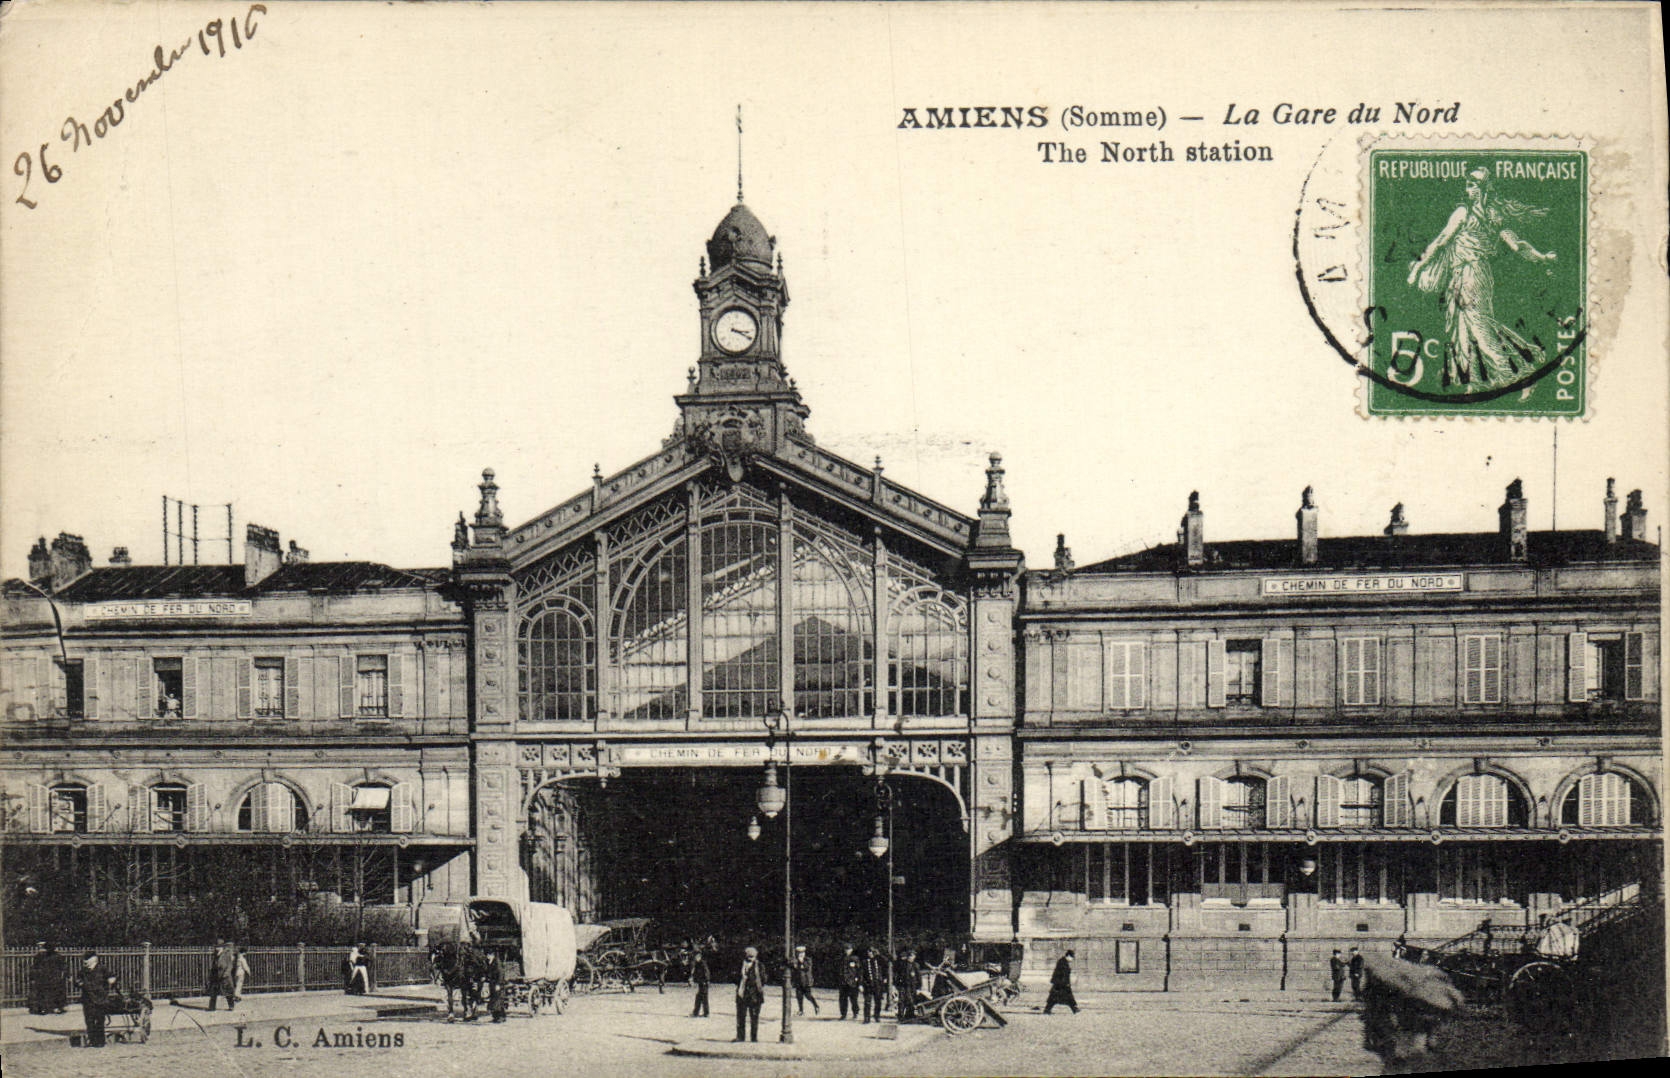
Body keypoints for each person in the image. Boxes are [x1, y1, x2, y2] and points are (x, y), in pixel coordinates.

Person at [1405, 167, 1558, 389]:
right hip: (1474, 274)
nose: (1468, 188)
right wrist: (1541, 257)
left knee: (1480, 328)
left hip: (1469, 274)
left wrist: (1418, 267)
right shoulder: (1495, 216)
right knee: (1467, 328)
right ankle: (1475, 383)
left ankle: (1518, 375)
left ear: (1480, 188)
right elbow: (1519, 246)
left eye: (1471, 184)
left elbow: (1440, 242)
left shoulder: (1463, 213)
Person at [78, 951, 118, 1047]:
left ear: (94, 960)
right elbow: (78, 980)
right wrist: (80, 983)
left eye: (87, 960)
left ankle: (100, 1041)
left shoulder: (102, 969)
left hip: (100, 998)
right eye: (84, 960)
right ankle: (92, 1040)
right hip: (87, 998)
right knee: (89, 1020)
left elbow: (112, 977)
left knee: (100, 1019)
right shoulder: (83, 971)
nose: (85, 962)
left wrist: (111, 980)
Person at [734, 946, 767, 1042]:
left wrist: (749, 980)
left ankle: (754, 1038)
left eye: (752, 957)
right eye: (748, 957)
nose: (750, 959)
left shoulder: (760, 966)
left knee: (754, 1018)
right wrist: (741, 978)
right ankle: (740, 1037)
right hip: (742, 994)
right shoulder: (740, 965)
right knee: (740, 1017)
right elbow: (734, 977)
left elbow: (764, 979)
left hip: (755, 995)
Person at [29, 942, 68, 1015]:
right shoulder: (57, 956)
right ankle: (54, 1008)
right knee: (52, 993)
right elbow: (64, 966)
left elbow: (35, 967)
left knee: (46, 993)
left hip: (47, 978)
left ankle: (46, 1008)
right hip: (52, 977)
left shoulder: (41, 956)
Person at [1043, 949, 1079, 1015]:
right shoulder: (1062, 962)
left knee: (1056, 998)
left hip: (1060, 983)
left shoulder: (1063, 961)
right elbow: (1062, 974)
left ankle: (1074, 1009)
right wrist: (1066, 983)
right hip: (1060, 984)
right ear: (1068, 956)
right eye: (1072, 957)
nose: (1072, 959)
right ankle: (1074, 1009)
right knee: (1061, 997)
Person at [790, 943, 819, 1016]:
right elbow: (794, 967)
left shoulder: (807, 959)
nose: (801, 954)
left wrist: (801, 961)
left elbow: (806, 967)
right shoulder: (796, 960)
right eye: (799, 953)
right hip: (798, 981)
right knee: (799, 996)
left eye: (802, 953)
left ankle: (816, 1005)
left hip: (806, 981)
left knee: (808, 995)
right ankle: (801, 1010)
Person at [206, 939, 236, 1011]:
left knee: (228, 992)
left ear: (222, 947)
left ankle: (231, 1005)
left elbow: (230, 965)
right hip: (216, 976)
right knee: (213, 991)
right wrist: (211, 975)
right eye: (216, 947)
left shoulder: (226, 954)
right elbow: (213, 966)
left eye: (218, 947)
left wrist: (226, 974)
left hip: (225, 976)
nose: (216, 948)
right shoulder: (215, 955)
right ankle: (212, 1007)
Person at [861, 946, 887, 1024]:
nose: (870, 954)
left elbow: (886, 962)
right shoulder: (865, 961)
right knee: (867, 1002)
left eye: (872, 952)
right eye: (869, 952)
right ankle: (867, 1018)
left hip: (877, 984)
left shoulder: (879, 960)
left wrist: (878, 954)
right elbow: (861, 973)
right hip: (868, 984)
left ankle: (877, 1016)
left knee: (878, 1001)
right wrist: (861, 984)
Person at [837, 943, 863, 1020]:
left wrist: (858, 980)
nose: (847, 951)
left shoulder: (855, 958)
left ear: (851, 950)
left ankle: (855, 1013)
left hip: (852, 982)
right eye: (846, 949)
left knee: (854, 999)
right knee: (843, 999)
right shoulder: (841, 958)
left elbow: (859, 970)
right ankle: (843, 1014)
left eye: (848, 949)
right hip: (843, 982)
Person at [893, 948, 920, 1022]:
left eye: (913, 956)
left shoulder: (916, 965)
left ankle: (910, 1016)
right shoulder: (902, 964)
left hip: (912, 986)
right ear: (908, 956)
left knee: (911, 1001)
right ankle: (901, 1016)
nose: (911, 957)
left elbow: (918, 977)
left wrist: (919, 988)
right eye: (910, 956)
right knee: (901, 1001)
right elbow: (897, 975)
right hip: (903, 986)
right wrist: (896, 985)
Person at [687, 940, 711, 1018]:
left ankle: (701, 1013)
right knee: (701, 998)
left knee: (702, 998)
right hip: (702, 982)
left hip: (704, 982)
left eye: (696, 957)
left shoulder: (702, 963)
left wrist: (707, 981)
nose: (695, 958)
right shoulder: (698, 963)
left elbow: (707, 972)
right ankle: (700, 1013)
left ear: (699, 956)